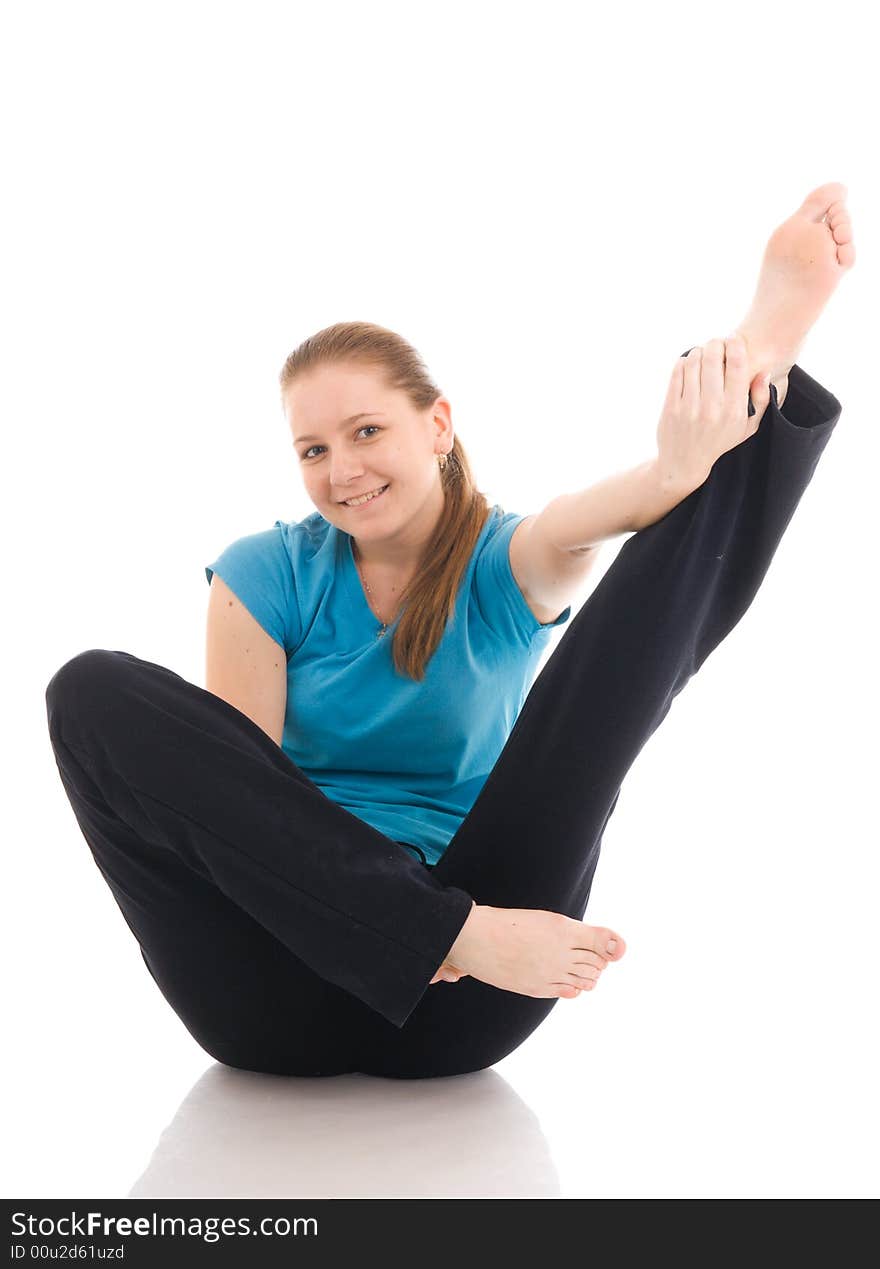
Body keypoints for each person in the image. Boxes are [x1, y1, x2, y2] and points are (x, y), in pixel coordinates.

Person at [45, 182, 855, 1080]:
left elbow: (600, 513)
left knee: (606, 664)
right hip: (272, 981)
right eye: (313, 450)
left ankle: (761, 377)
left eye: (365, 431)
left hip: (467, 993)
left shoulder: (504, 558)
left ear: (437, 426)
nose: (341, 469)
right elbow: (237, 805)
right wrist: (439, 930)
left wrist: (685, 455)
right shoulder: (263, 573)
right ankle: (440, 931)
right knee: (88, 688)